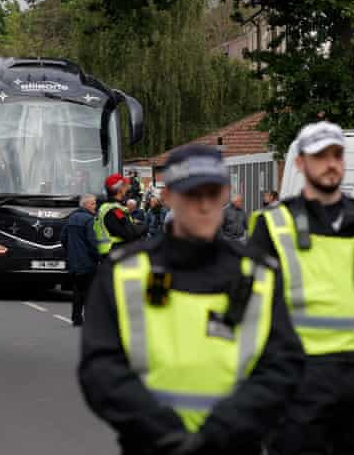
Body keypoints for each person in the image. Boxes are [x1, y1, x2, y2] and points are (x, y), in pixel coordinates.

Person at [79, 145, 304, 454]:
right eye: (192, 194)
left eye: (212, 194)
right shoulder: (125, 273)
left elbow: (282, 367)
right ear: (169, 196)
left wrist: (222, 430)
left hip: (233, 443)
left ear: (225, 194)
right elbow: (101, 368)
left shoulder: (258, 275)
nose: (203, 206)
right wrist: (161, 430)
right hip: (152, 444)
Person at [248, 121, 354, 455]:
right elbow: (252, 308)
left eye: (337, 155)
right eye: (320, 156)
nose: (331, 164)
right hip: (299, 376)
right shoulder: (272, 225)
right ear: (300, 163)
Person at [61, 194, 100, 326]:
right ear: (86, 205)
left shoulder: (71, 218)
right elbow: (93, 242)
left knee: (77, 290)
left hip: (74, 261)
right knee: (90, 292)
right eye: (93, 203)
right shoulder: (89, 220)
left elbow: (63, 238)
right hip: (87, 262)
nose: (96, 206)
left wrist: (71, 252)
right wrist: (98, 257)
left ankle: (76, 318)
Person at [94, 173, 147, 257]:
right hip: (115, 254)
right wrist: (144, 226)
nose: (128, 188)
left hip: (113, 253)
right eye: (125, 186)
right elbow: (130, 234)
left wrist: (132, 224)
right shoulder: (113, 210)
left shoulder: (108, 207)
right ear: (120, 190)